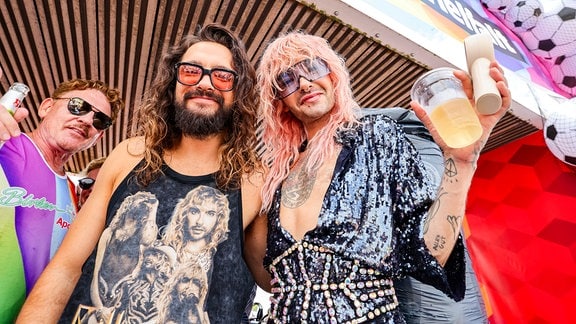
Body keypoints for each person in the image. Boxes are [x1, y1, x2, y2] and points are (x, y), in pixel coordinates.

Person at [244, 31, 510, 323]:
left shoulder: (376, 137)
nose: (304, 83)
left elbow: (431, 253)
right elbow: (268, 277)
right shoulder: (277, 178)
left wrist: (461, 162)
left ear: (333, 76)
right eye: (287, 80)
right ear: (279, 101)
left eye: (312, 67)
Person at [17, 23, 262, 323]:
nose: (205, 83)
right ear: (173, 84)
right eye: (191, 71)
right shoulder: (130, 154)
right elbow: (66, 268)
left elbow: (281, 278)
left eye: (222, 76)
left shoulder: (255, 180)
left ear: (239, 93)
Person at [0, 73, 123, 322]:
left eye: (100, 120)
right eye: (78, 106)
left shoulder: (74, 195)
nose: (88, 120)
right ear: (46, 107)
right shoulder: (5, 145)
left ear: (98, 136)